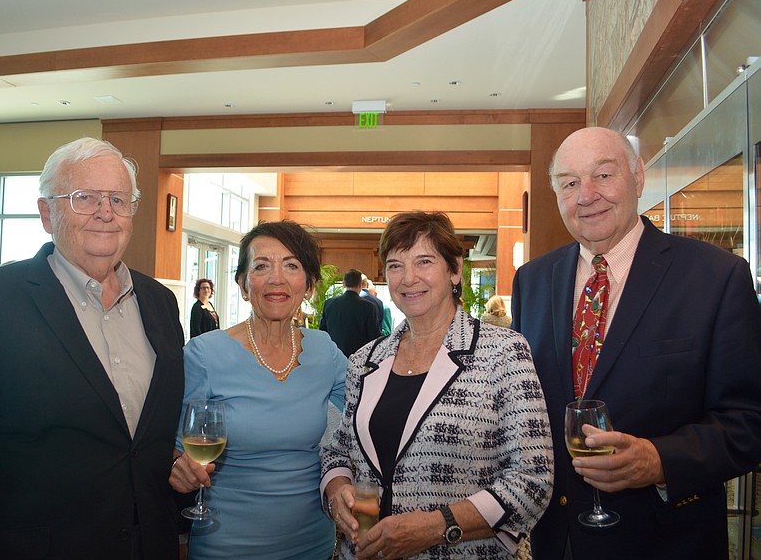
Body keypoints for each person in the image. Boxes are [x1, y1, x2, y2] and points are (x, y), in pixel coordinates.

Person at [0, 137, 186, 560]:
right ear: (47, 213)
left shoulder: (160, 303)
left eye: (119, 198)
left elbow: (141, 439)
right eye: (84, 198)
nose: (105, 212)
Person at [511, 127, 761, 560]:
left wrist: (659, 460)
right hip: (558, 539)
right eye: (569, 183)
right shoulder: (532, 280)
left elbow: (749, 420)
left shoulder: (716, 278)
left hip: (666, 541)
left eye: (603, 176)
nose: (586, 195)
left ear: (638, 178)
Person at [321, 210, 553, 560]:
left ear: (455, 269)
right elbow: (338, 450)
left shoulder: (504, 352)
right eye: (396, 265)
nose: (408, 278)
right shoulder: (365, 360)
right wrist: (337, 487)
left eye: (424, 261)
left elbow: (533, 479)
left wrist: (435, 526)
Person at [169, 220, 347, 560]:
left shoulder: (325, 351)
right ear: (243, 284)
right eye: (262, 266)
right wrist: (180, 468)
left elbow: (363, 414)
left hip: (313, 542)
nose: (276, 278)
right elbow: (175, 447)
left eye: (291, 266)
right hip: (228, 543)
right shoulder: (204, 355)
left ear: (309, 285)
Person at [320, 268, 381, 357]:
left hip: (334, 356)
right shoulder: (369, 307)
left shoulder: (329, 304)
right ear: (360, 285)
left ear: (343, 284)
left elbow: (323, 332)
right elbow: (374, 337)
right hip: (359, 359)